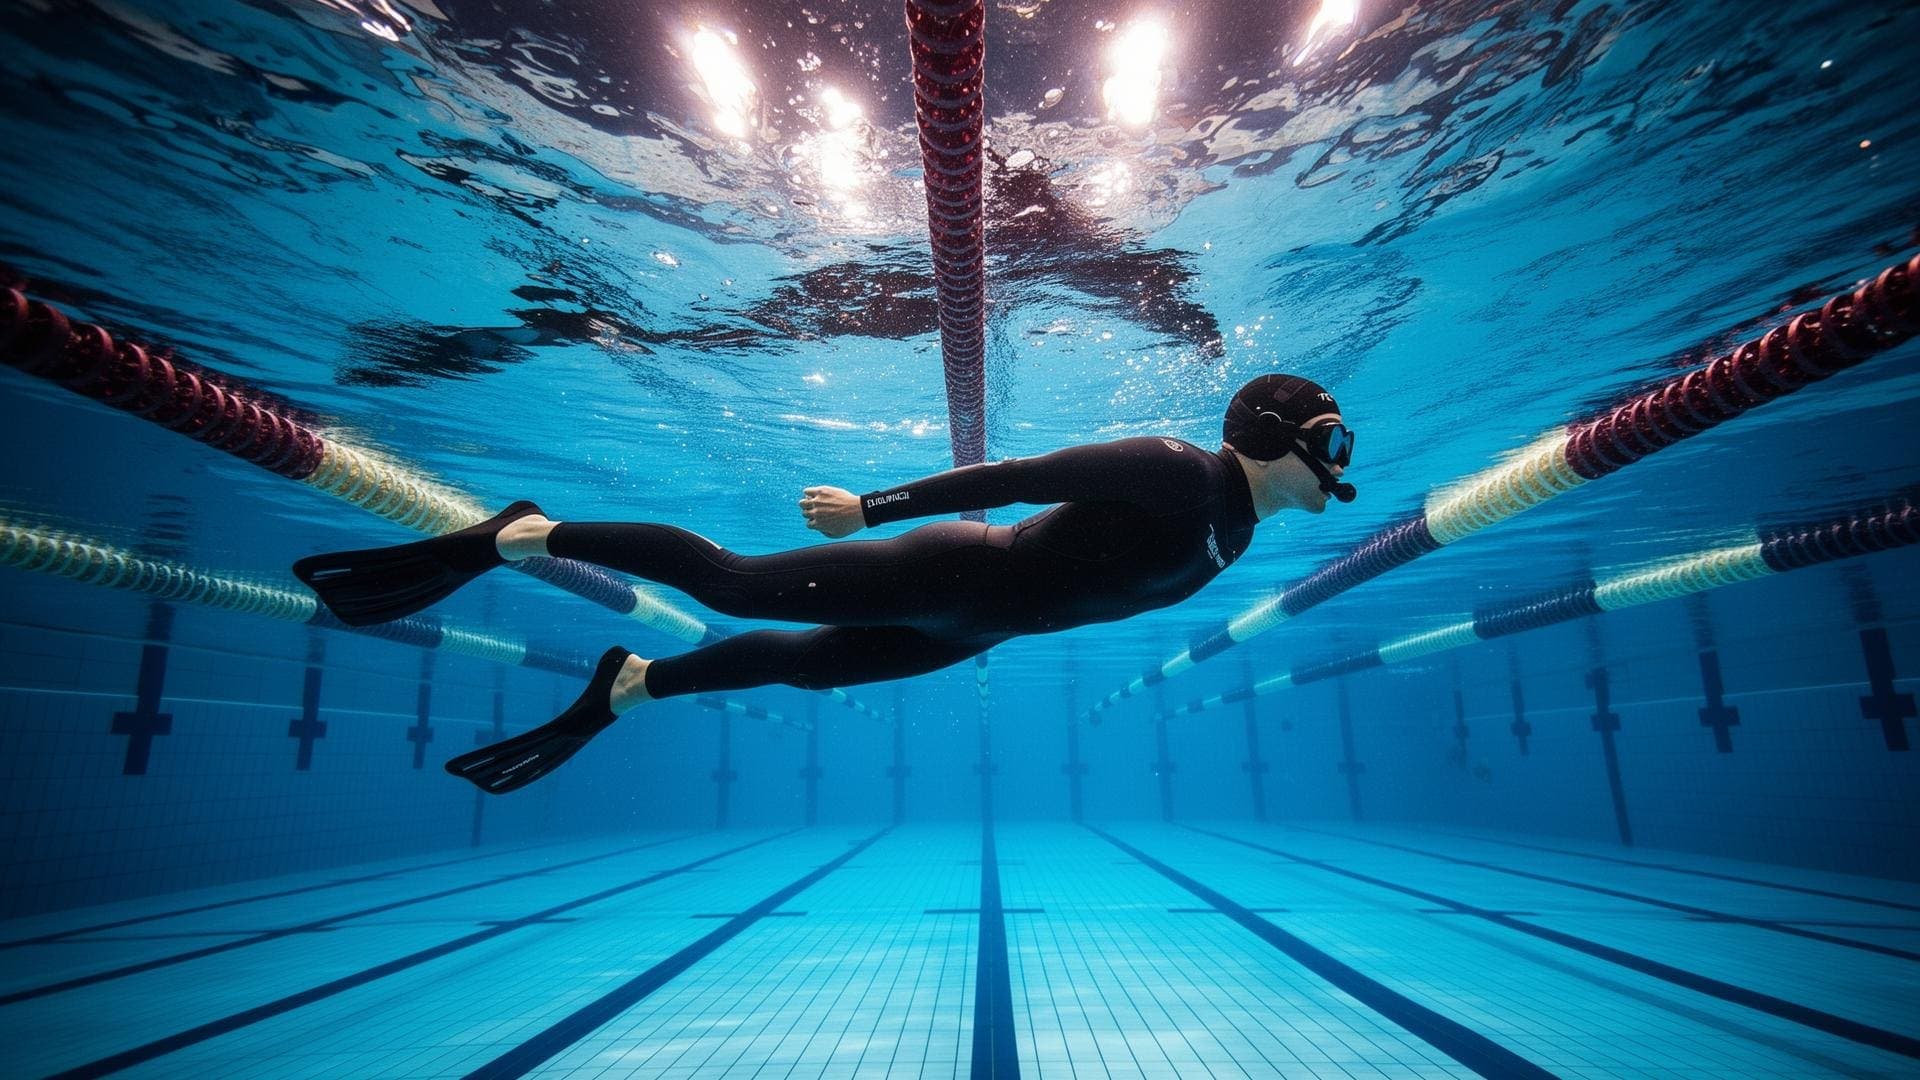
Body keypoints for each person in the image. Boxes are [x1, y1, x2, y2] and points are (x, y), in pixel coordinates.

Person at [293, 374, 1355, 794]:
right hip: (953, 570)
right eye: (1330, 440)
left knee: (804, 670)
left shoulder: (1239, 533)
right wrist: (873, 508)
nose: (1341, 464)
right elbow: (1022, 476)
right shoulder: (1181, 473)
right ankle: (528, 531)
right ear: (1268, 435)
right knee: (732, 583)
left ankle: (631, 686)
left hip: (968, 631)